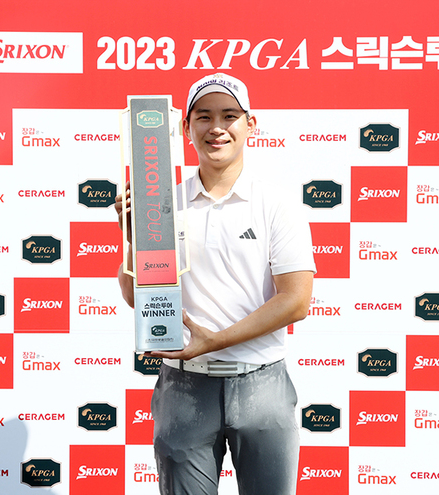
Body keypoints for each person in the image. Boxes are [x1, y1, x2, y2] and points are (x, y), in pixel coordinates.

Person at [115, 73, 315, 495]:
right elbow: (138, 298)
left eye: (229, 115)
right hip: (184, 386)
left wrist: (215, 341)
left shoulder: (277, 204)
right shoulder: (162, 203)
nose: (216, 127)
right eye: (204, 116)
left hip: (262, 383)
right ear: (186, 128)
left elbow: (296, 300)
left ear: (250, 124)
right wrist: (133, 238)